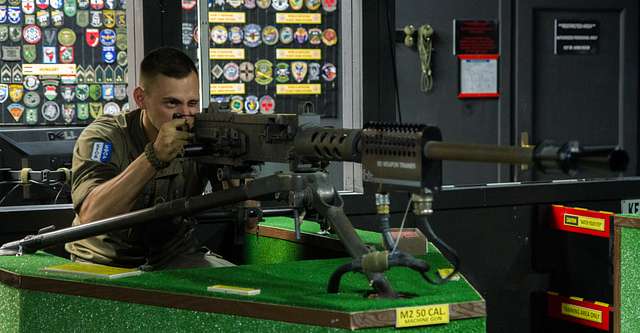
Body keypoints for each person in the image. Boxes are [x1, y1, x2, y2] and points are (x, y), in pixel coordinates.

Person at [65, 47, 234, 270]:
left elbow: (246, 218)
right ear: (141, 98)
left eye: (192, 103)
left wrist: (235, 167)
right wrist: (153, 156)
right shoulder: (104, 138)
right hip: (104, 261)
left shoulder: (202, 134)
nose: (185, 115)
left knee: (236, 289)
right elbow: (91, 215)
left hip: (173, 256)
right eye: (172, 103)